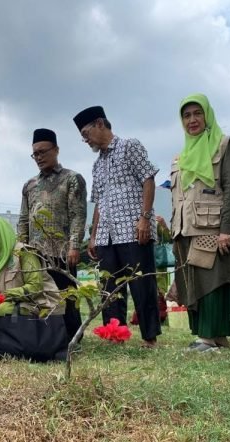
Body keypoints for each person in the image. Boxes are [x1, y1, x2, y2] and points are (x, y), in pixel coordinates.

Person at [73, 105, 161, 348]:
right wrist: (93, 236)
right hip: (106, 236)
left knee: (142, 285)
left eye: (86, 132)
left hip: (133, 229)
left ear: (100, 123)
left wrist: (145, 218)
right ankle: (115, 336)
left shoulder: (129, 146)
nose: (85, 139)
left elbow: (148, 179)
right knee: (109, 288)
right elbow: (99, 201)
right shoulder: (96, 165)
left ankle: (149, 337)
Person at [169, 94, 230, 352]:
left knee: (213, 282)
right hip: (184, 229)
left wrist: (226, 230)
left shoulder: (223, 145)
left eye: (197, 114)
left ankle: (208, 338)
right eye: (186, 115)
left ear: (207, 115)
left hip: (211, 227)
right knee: (194, 283)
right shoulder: (181, 156)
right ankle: (214, 336)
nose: (192, 120)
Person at [18, 128, 87, 340]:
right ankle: (48, 339)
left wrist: (74, 246)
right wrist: (21, 249)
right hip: (35, 255)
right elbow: (23, 220)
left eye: (43, 152)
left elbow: (78, 215)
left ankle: (73, 339)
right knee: (40, 297)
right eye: (35, 154)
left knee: (67, 297)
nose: (39, 157)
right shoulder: (29, 185)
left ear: (56, 150)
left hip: (63, 253)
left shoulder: (72, 179)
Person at [0, 216, 65, 356]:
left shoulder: (24, 253)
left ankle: (12, 347)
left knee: (4, 308)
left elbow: (35, 287)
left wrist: (2, 298)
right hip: (15, 305)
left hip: (40, 306)